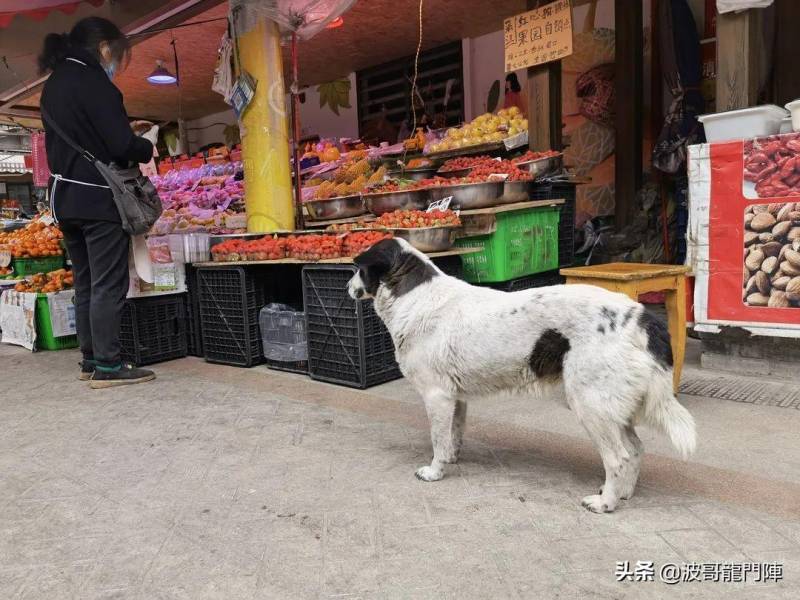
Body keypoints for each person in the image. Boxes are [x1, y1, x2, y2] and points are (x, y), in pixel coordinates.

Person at [39, 17, 156, 388]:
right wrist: (146, 144)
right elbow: (121, 145)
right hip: (97, 198)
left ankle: (91, 357)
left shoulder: (54, 83)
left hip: (65, 200)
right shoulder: (94, 83)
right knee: (109, 282)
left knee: (87, 282)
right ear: (104, 47)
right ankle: (108, 365)